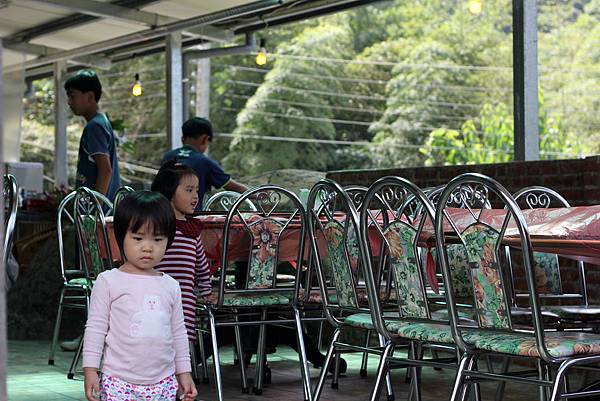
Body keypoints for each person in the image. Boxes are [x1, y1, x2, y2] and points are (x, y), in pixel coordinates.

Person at [82, 191, 197, 401]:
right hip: (118, 381)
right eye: (137, 238)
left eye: (157, 239)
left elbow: (179, 333)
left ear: (168, 241)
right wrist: (90, 369)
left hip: (163, 382)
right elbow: (96, 329)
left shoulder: (171, 286)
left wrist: (184, 373)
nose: (147, 247)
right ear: (120, 237)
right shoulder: (108, 281)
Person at [151, 161, 211, 341]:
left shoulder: (192, 230)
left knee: (181, 344)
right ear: (170, 191)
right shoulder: (155, 226)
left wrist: (206, 292)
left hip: (183, 301)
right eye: (189, 190)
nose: (195, 196)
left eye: (196, 190)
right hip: (153, 299)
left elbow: (202, 266)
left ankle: (184, 368)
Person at [161, 117, 246, 211]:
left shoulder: (167, 157)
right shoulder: (204, 162)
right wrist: (260, 195)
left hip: (164, 217)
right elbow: (236, 188)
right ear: (205, 139)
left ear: (183, 138)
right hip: (190, 220)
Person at [65, 69, 120, 201]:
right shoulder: (101, 122)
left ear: (90, 96)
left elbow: (105, 171)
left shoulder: (95, 127)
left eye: (72, 96)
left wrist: (95, 211)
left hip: (99, 213)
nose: (69, 102)